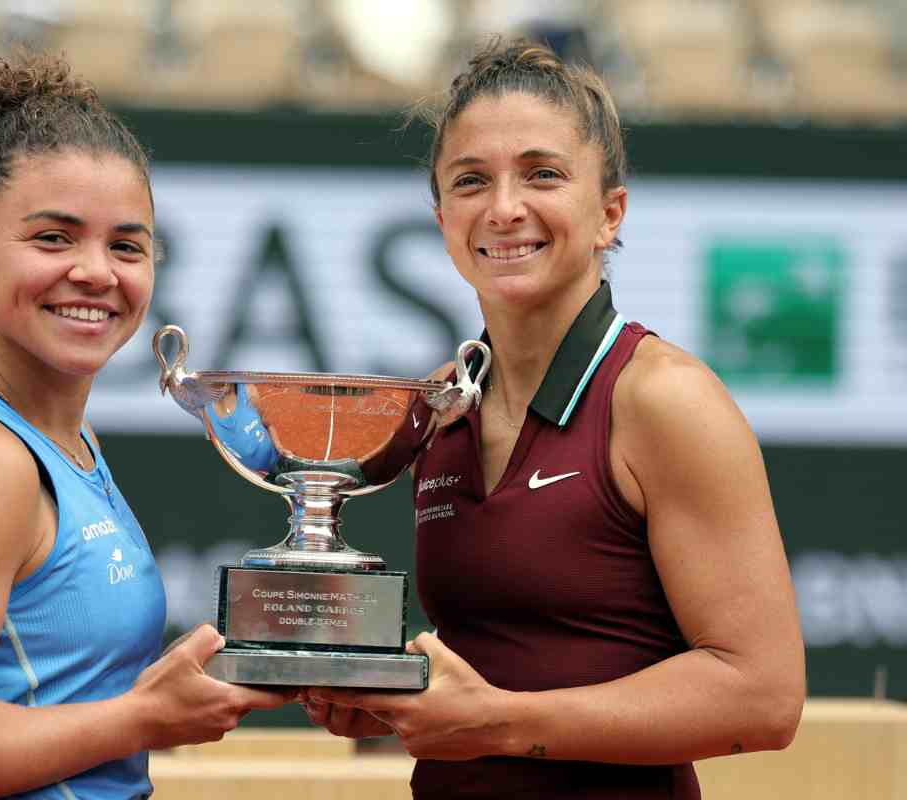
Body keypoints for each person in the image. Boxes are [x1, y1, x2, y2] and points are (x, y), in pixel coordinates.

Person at [303, 38, 805, 799]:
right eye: (471, 181)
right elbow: (505, 662)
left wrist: (497, 722)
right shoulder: (442, 406)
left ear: (609, 214)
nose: (505, 209)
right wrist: (395, 702)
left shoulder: (663, 399)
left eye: (542, 174)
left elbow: (763, 697)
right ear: (442, 221)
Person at [0, 52, 289, 799]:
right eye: (54, 238)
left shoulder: (61, 444)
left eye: (126, 245)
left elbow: (53, 694)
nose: (95, 271)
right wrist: (145, 717)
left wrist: (181, 685)